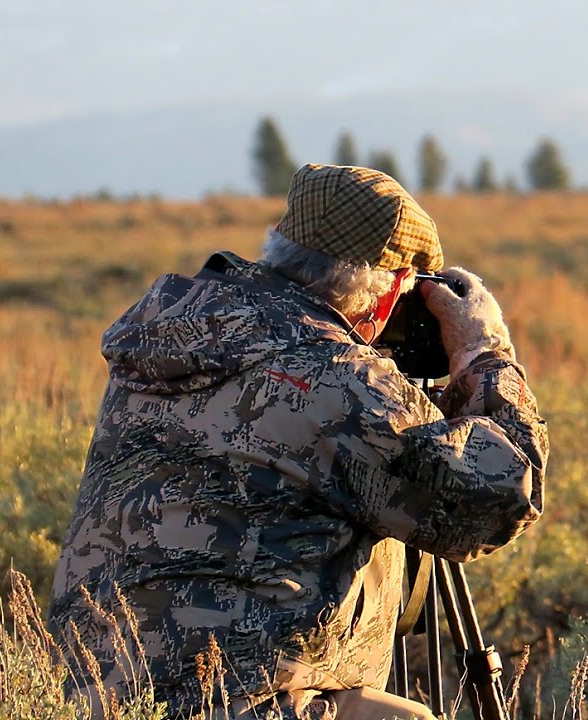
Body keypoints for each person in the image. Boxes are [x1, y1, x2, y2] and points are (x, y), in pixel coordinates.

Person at [48, 164, 547, 720]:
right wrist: (482, 354)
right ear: (383, 299)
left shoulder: (176, 331)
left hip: (93, 694)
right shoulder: (335, 375)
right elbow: (499, 495)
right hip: (245, 701)